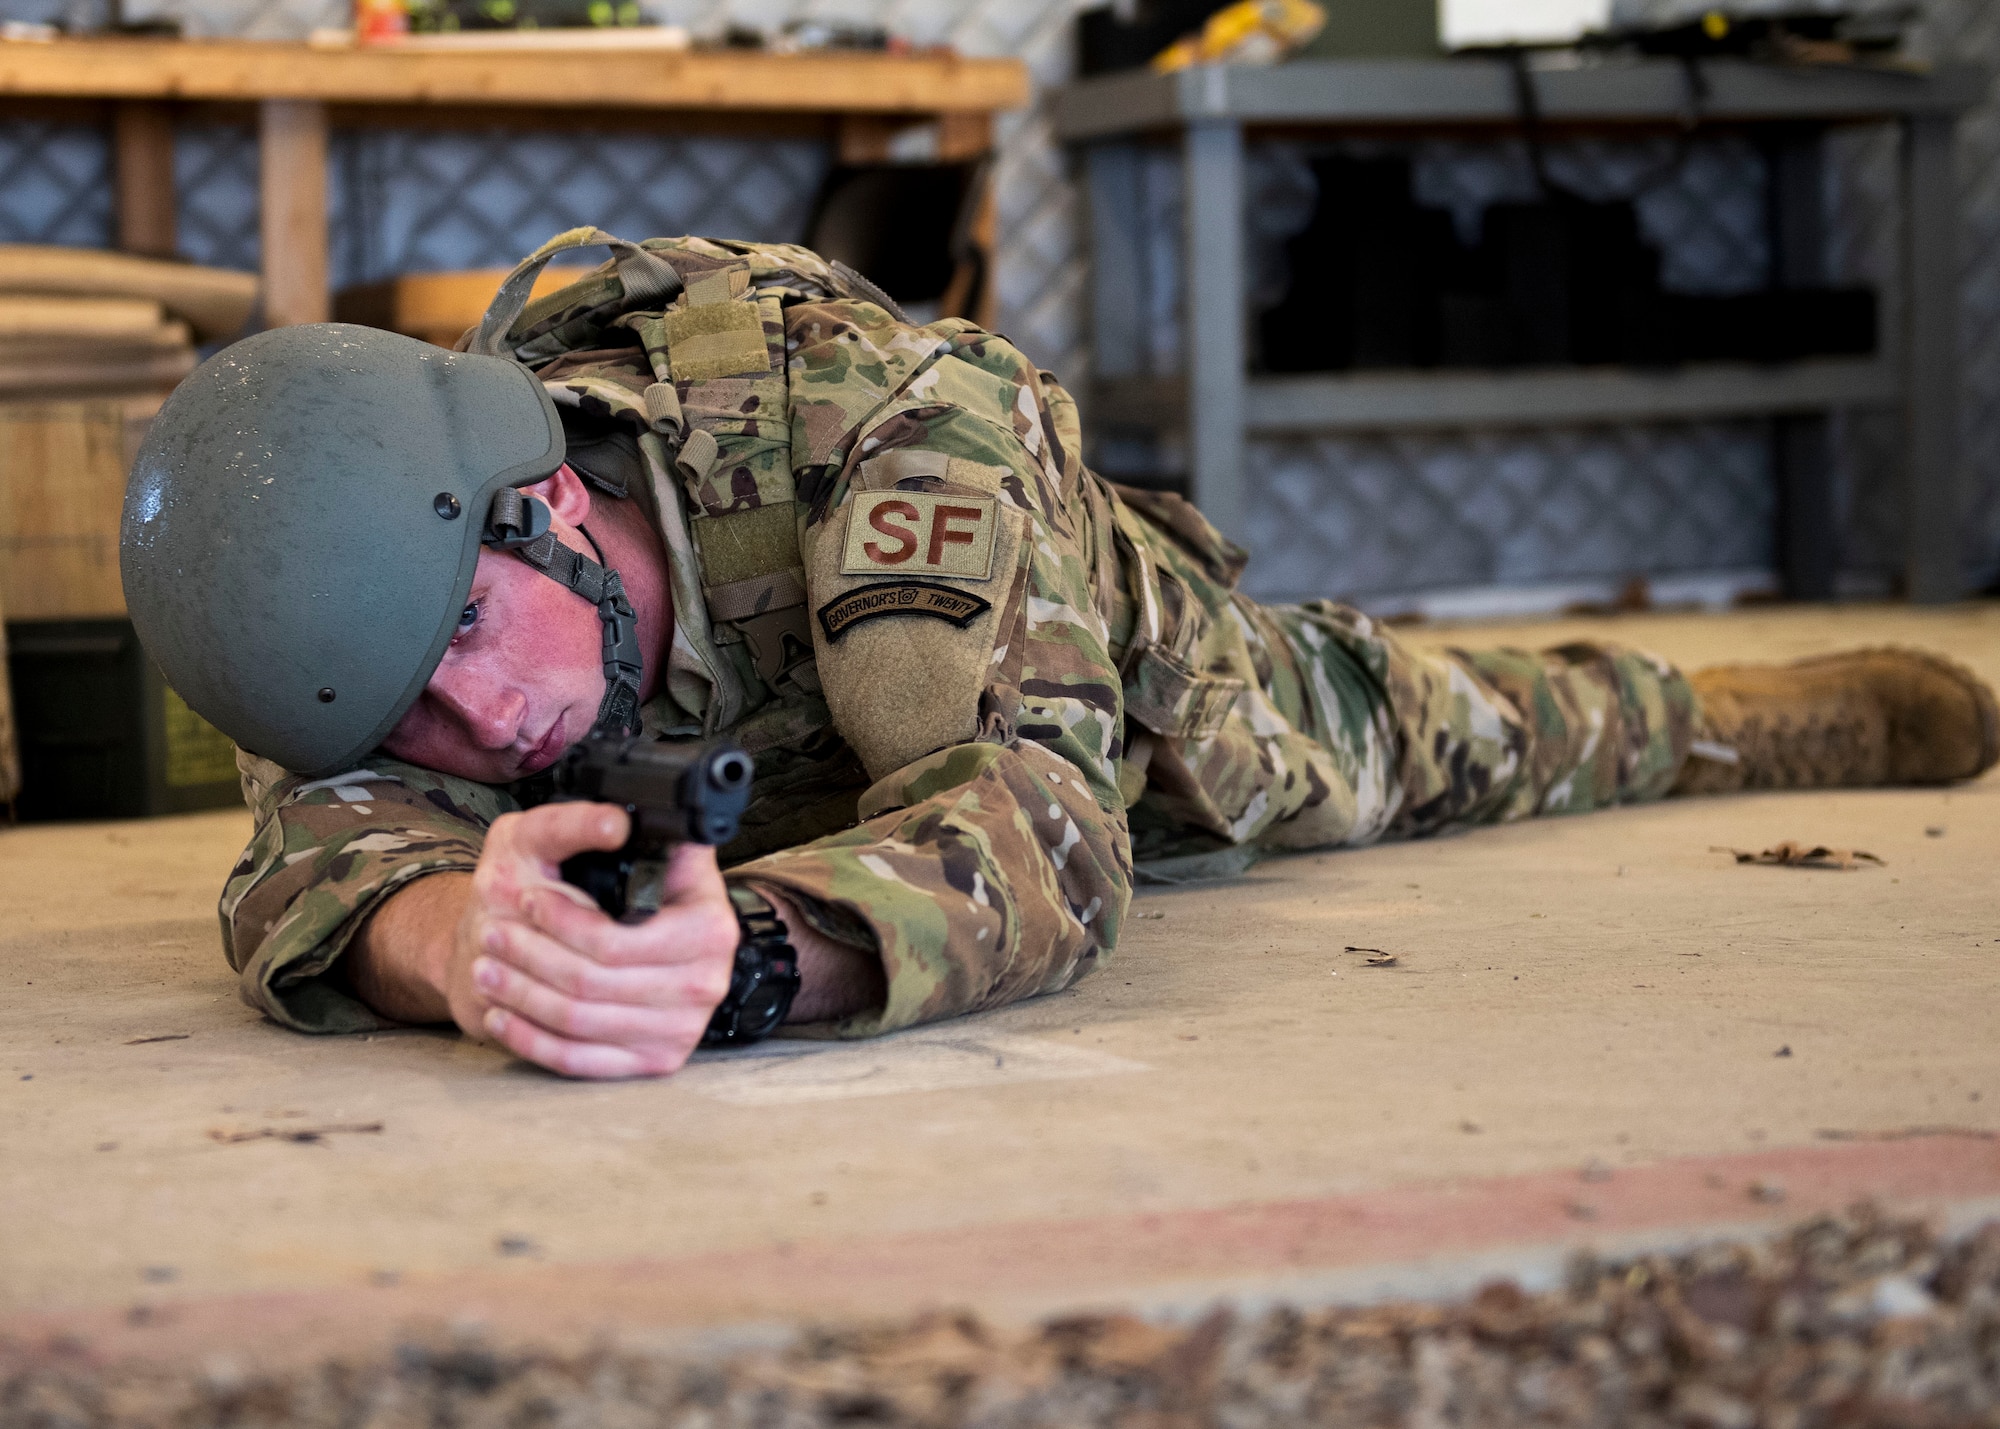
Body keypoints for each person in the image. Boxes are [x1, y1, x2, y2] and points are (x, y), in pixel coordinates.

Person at [122, 228, 1999, 1081]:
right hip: (800, 764)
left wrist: (759, 959)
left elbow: (1037, 819)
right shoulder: (356, 578)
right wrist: (465, 946)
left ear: (536, 499)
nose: (474, 726)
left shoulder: (876, 426)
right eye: (407, 703)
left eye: (465, 644)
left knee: (1435, 740)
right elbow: (315, 840)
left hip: (1128, 686)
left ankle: (1712, 712)